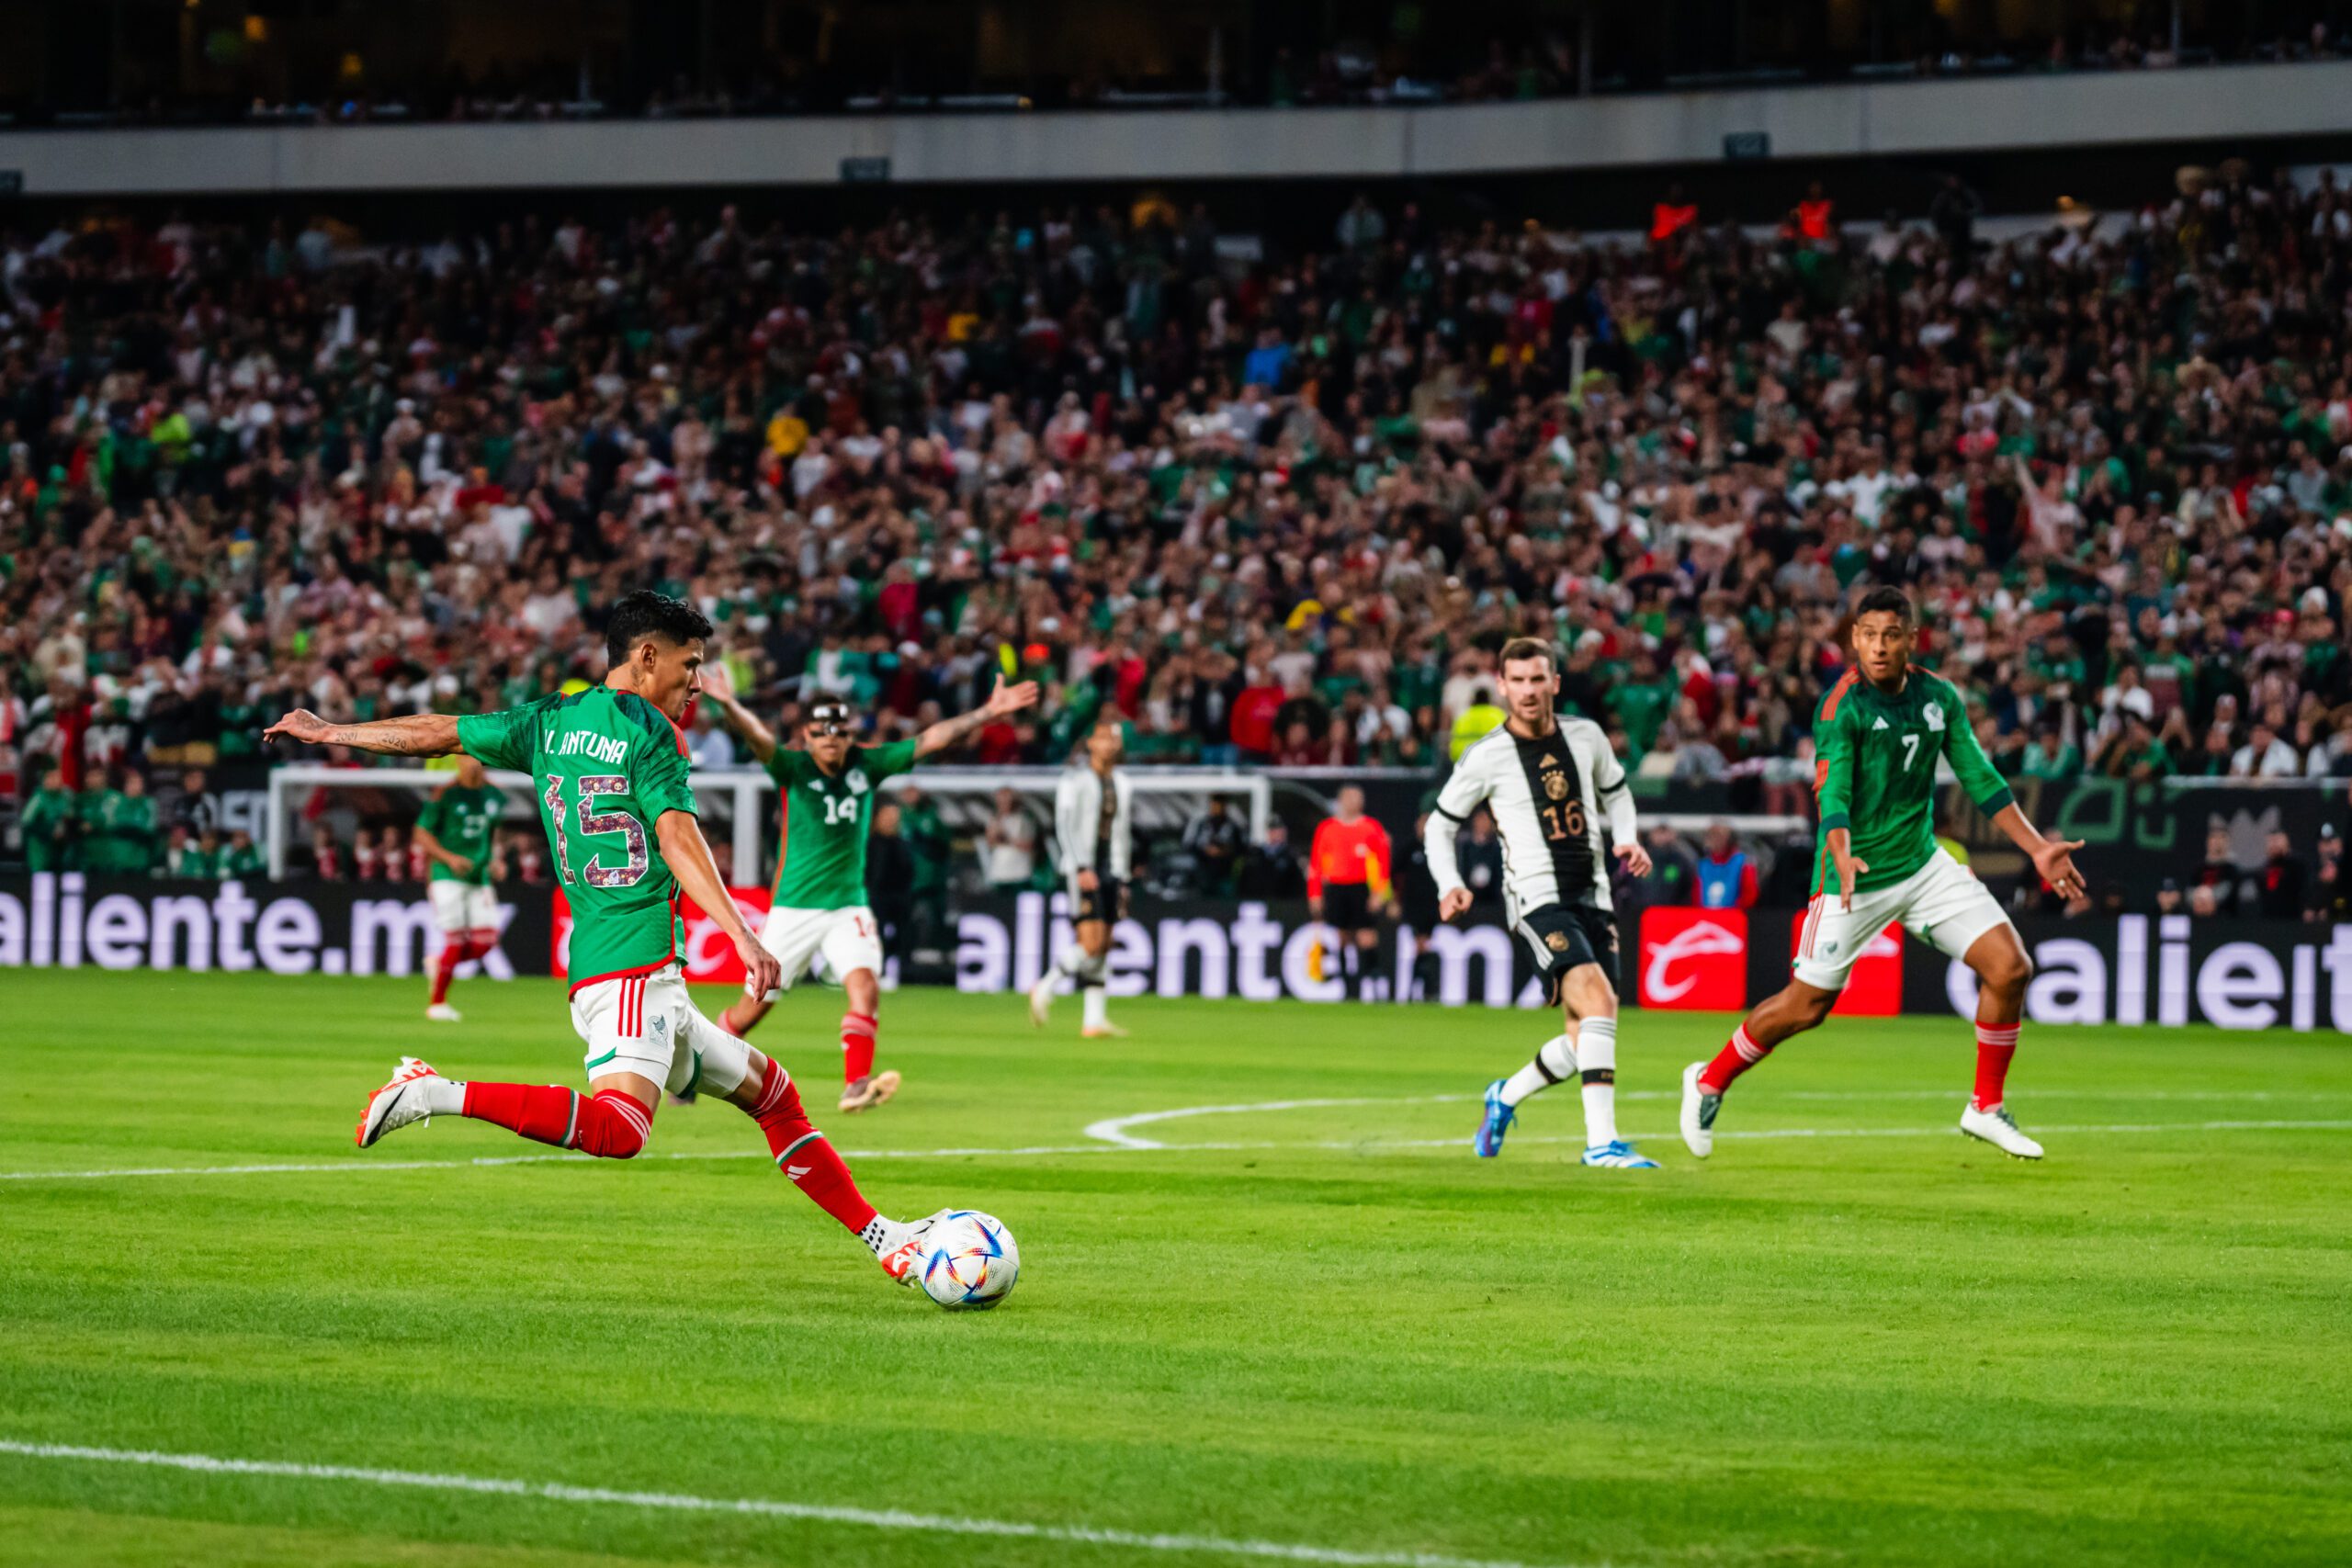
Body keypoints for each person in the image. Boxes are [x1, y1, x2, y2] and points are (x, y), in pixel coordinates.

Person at [266, 590, 950, 1291]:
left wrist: (333, 732)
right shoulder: (652, 733)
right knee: (622, 1129)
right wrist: (743, 933)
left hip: (626, 968)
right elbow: (676, 834)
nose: (693, 683)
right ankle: (433, 1091)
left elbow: (438, 730)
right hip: (632, 964)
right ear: (646, 656)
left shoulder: (548, 719)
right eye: (689, 666)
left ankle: (885, 1237)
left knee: (774, 1095)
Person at [1680, 587, 2086, 1164]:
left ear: (1911, 640)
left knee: (2010, 967)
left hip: (1921, 866)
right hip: (1853, 877)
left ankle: (1985, 1107)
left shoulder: (1939, 697)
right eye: (1868, 635)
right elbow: (1834, 788)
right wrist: (1840, 851)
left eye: (1891, 635)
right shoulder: (1840, 706)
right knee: (1806, 1006)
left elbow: (1978, 775)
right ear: (1854, 639)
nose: (1878, 646)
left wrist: (2039, 848)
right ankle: (1708, 1081)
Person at [698, 659, 1041, 1111]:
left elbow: (931, 739)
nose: (832, 741)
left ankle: (856, 1086)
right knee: (749, 1012)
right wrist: (729, 705)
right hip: (794, 910)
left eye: (839, 733)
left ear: (850, 735)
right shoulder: (792, 768)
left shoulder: (867, 765)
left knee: (865, 988)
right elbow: (759, 739)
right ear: (806, 737)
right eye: (822, 734)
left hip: (848, 906)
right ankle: (695, 1070)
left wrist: (987, 712)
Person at [1426, 637, 1657, 1169]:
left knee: (1584, 1037)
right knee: (1599, 1003)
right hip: (1536, 901)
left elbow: (1617, 791)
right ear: (1502, 687)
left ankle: (1503, 1097)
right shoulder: (1487, 756)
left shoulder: (1586, 736)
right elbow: (1440, 825)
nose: (1528, 691)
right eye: (1518, 682)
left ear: (1555, 682)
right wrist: (1447, 884)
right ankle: (1601, 1143)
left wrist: (1627, 837)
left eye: (1538, 680)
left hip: (1594, 897)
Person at [1031, 716, 1133, 1037]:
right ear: (1090, 743)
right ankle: (1045, 987)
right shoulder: (1074, 780)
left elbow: (1121, 833)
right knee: (1089, 943)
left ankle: (1094, 1020)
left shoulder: (1122, 783)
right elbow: (1064, 825)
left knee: (1103, 944)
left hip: (1110, 869)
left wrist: (1123, 876)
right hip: (1084, 868)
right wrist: (1079, 866)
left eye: (1114, 738)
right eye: (1103, 737)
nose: (1109, 744)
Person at [414, 754, 505, 1023]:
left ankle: (439, 964)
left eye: (477, 758)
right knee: (455, 939)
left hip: (479, 876)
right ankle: (437, 1003)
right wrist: (448, 858)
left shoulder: (495, 794)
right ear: (458, 761)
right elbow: (421, 834)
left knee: (485, 942)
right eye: (466, 758)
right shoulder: (445, 794)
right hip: (447, 874)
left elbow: (493, 833)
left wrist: (495, 859)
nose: (472, 763)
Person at [1308, 785, 1395, 1000]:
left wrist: (1378, 892)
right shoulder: (1327, 828)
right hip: (1337, 887)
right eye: (1349, 797)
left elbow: (1383, 863)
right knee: (1341, 936)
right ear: (1340, 800)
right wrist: (1315, 894)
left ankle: (1374, 984)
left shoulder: (1371, 828)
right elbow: (1316, 865)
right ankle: (1347, 985)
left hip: (1361, 887)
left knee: (1366, 935)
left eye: (1358, 798)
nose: (1354, 802)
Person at [981, 785, 1039, 894]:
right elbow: (990, 842)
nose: (1003, 804)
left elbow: (1029, 845)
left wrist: (1008, 839)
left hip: (1019, 874)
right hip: (999, 874)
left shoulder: (1023, 820)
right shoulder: (995, 819)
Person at [1182, 796, 1246, 894]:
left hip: (1225, 871)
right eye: (1214, 806)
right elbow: (1189, 845)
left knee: (1225, 897)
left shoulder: (1233, 826)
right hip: (1202, 870)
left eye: (1219, 806)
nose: (1216, 809)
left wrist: (1224, 851)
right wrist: (1206, 850)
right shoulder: (1200, 825)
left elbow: (1241, 848)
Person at [22, 766, 79, 872]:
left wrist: (66, 830)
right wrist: (49, 831)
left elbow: (72, 818)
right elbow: (27, 822)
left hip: (61, 850)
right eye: (50, 777)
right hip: (41, 850)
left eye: (57, 777)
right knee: (42, 881)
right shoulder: (38, 798)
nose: (54, 780)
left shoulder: (67, 796)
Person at [1695, 821, 1758, 909]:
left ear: (1728, 839)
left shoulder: (1743, 862)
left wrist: (1736, 910)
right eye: (1710, 835)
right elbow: (1697, 895)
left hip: (1733, 916)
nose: (1712, 839)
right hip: (1706, 917)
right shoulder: (1703, 865)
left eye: (1717, 835)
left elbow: (1749, 893)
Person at [1238, 818, 1306, 898]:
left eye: (1279, 830)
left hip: (1282, 902)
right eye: (1273, 829)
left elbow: (1298, 885)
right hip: (1257, 901)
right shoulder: (1256, 853)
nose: (1276, 833)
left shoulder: (1292, 855)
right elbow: (1245, 880)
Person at [2257, 828, 2307, 919]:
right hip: (2269, 920)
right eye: (2271, 841)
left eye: (2277, 840)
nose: (2274, 844)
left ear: (2287, 842)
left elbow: (2304, 890)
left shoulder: (2297, 863)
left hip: (2293, 919)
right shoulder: (2264, 869)